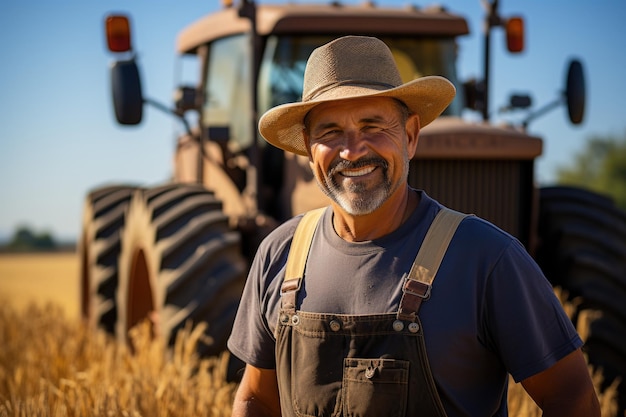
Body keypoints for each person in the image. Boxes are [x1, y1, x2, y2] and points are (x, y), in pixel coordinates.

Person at [227, 36, 599, 417]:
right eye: (330, 131)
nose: (352, 151)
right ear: (308, 148)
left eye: (372, 125)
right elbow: (256, 398)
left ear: (410, 136)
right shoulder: (280, 254)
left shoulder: (487, 258)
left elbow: (572, 399)